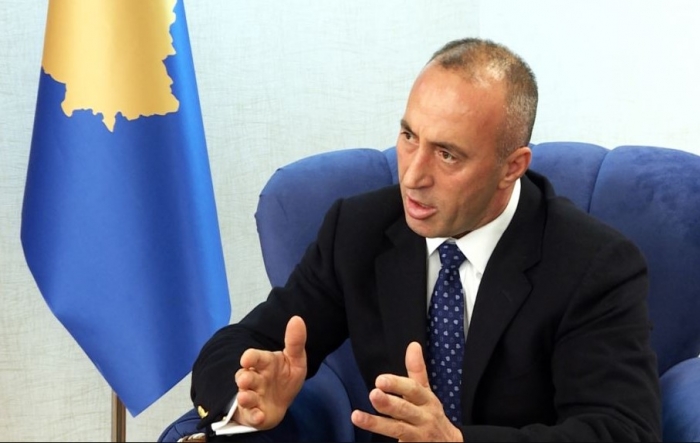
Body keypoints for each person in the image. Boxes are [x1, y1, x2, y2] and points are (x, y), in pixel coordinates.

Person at [190, 37, 661, 442]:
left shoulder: (593, 264)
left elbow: (623, 429)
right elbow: (246, 342)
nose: (413, 176)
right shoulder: (358, 231)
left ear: (512, 167)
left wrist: (456, 441)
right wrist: (246, 395)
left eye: (447, 154)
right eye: (409, 136)